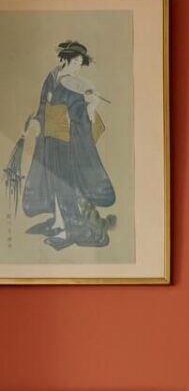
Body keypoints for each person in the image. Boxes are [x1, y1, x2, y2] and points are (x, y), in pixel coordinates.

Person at [20, 41, 117, 249]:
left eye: (80, 64)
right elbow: (42, 107)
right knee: (52, 183)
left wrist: (91, 106)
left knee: (64, 184)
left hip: (65, 141)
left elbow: (79, 116)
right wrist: (35, 123)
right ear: (63, 60)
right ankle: (58, 222)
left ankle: (68, 231)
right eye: (74, 63)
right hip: (48, 138)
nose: (77, 69)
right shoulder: (52, 77)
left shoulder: (73, 86)